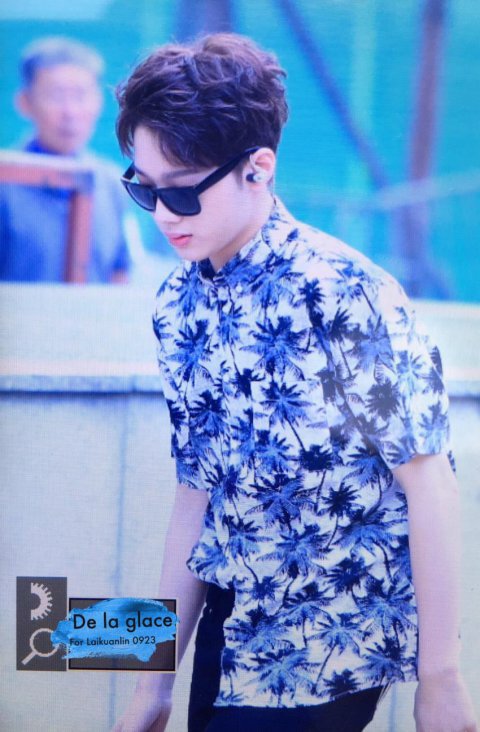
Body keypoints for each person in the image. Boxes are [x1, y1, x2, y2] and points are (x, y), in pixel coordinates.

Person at [112, 34, 478, 732]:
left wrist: (441, 678)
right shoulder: (178, 305)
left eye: (182, 191)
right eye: (143, 188)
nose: (162, 214)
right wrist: (150, 687)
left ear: (258, 168)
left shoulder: (346, 292)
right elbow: (195, 495)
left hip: (330, 645)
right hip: (229, 623)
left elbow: (429, 480)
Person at [0, 36, 132, 283]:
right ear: (25, 103)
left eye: (81, 95)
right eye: (56, 96)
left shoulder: (111, 182)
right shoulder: (5, 181)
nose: (70, 112)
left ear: (98, 102)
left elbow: (120, 272)